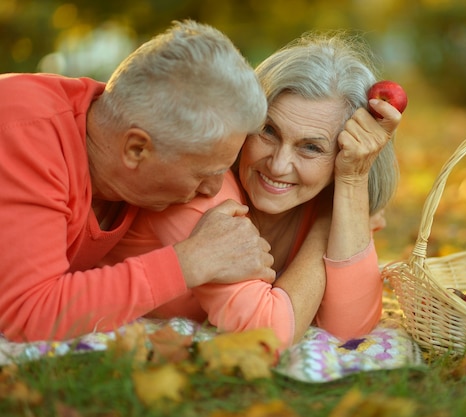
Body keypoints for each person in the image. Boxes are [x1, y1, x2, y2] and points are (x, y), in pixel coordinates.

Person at [104, 31, 401, 351]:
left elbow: (351, 329)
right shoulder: (197, 189)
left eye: (311, 147)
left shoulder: (331, 191)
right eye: (269, 131)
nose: (278, 164)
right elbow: (267, 335)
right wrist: (328, 225)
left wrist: (354, 183)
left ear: (345, 155)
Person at [0, 20, 276, 342]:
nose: (213, 189)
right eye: (204, 174)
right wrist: (191, 261)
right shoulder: (25, 132)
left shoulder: (124, 146)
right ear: (136, 149)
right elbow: (29, 313)